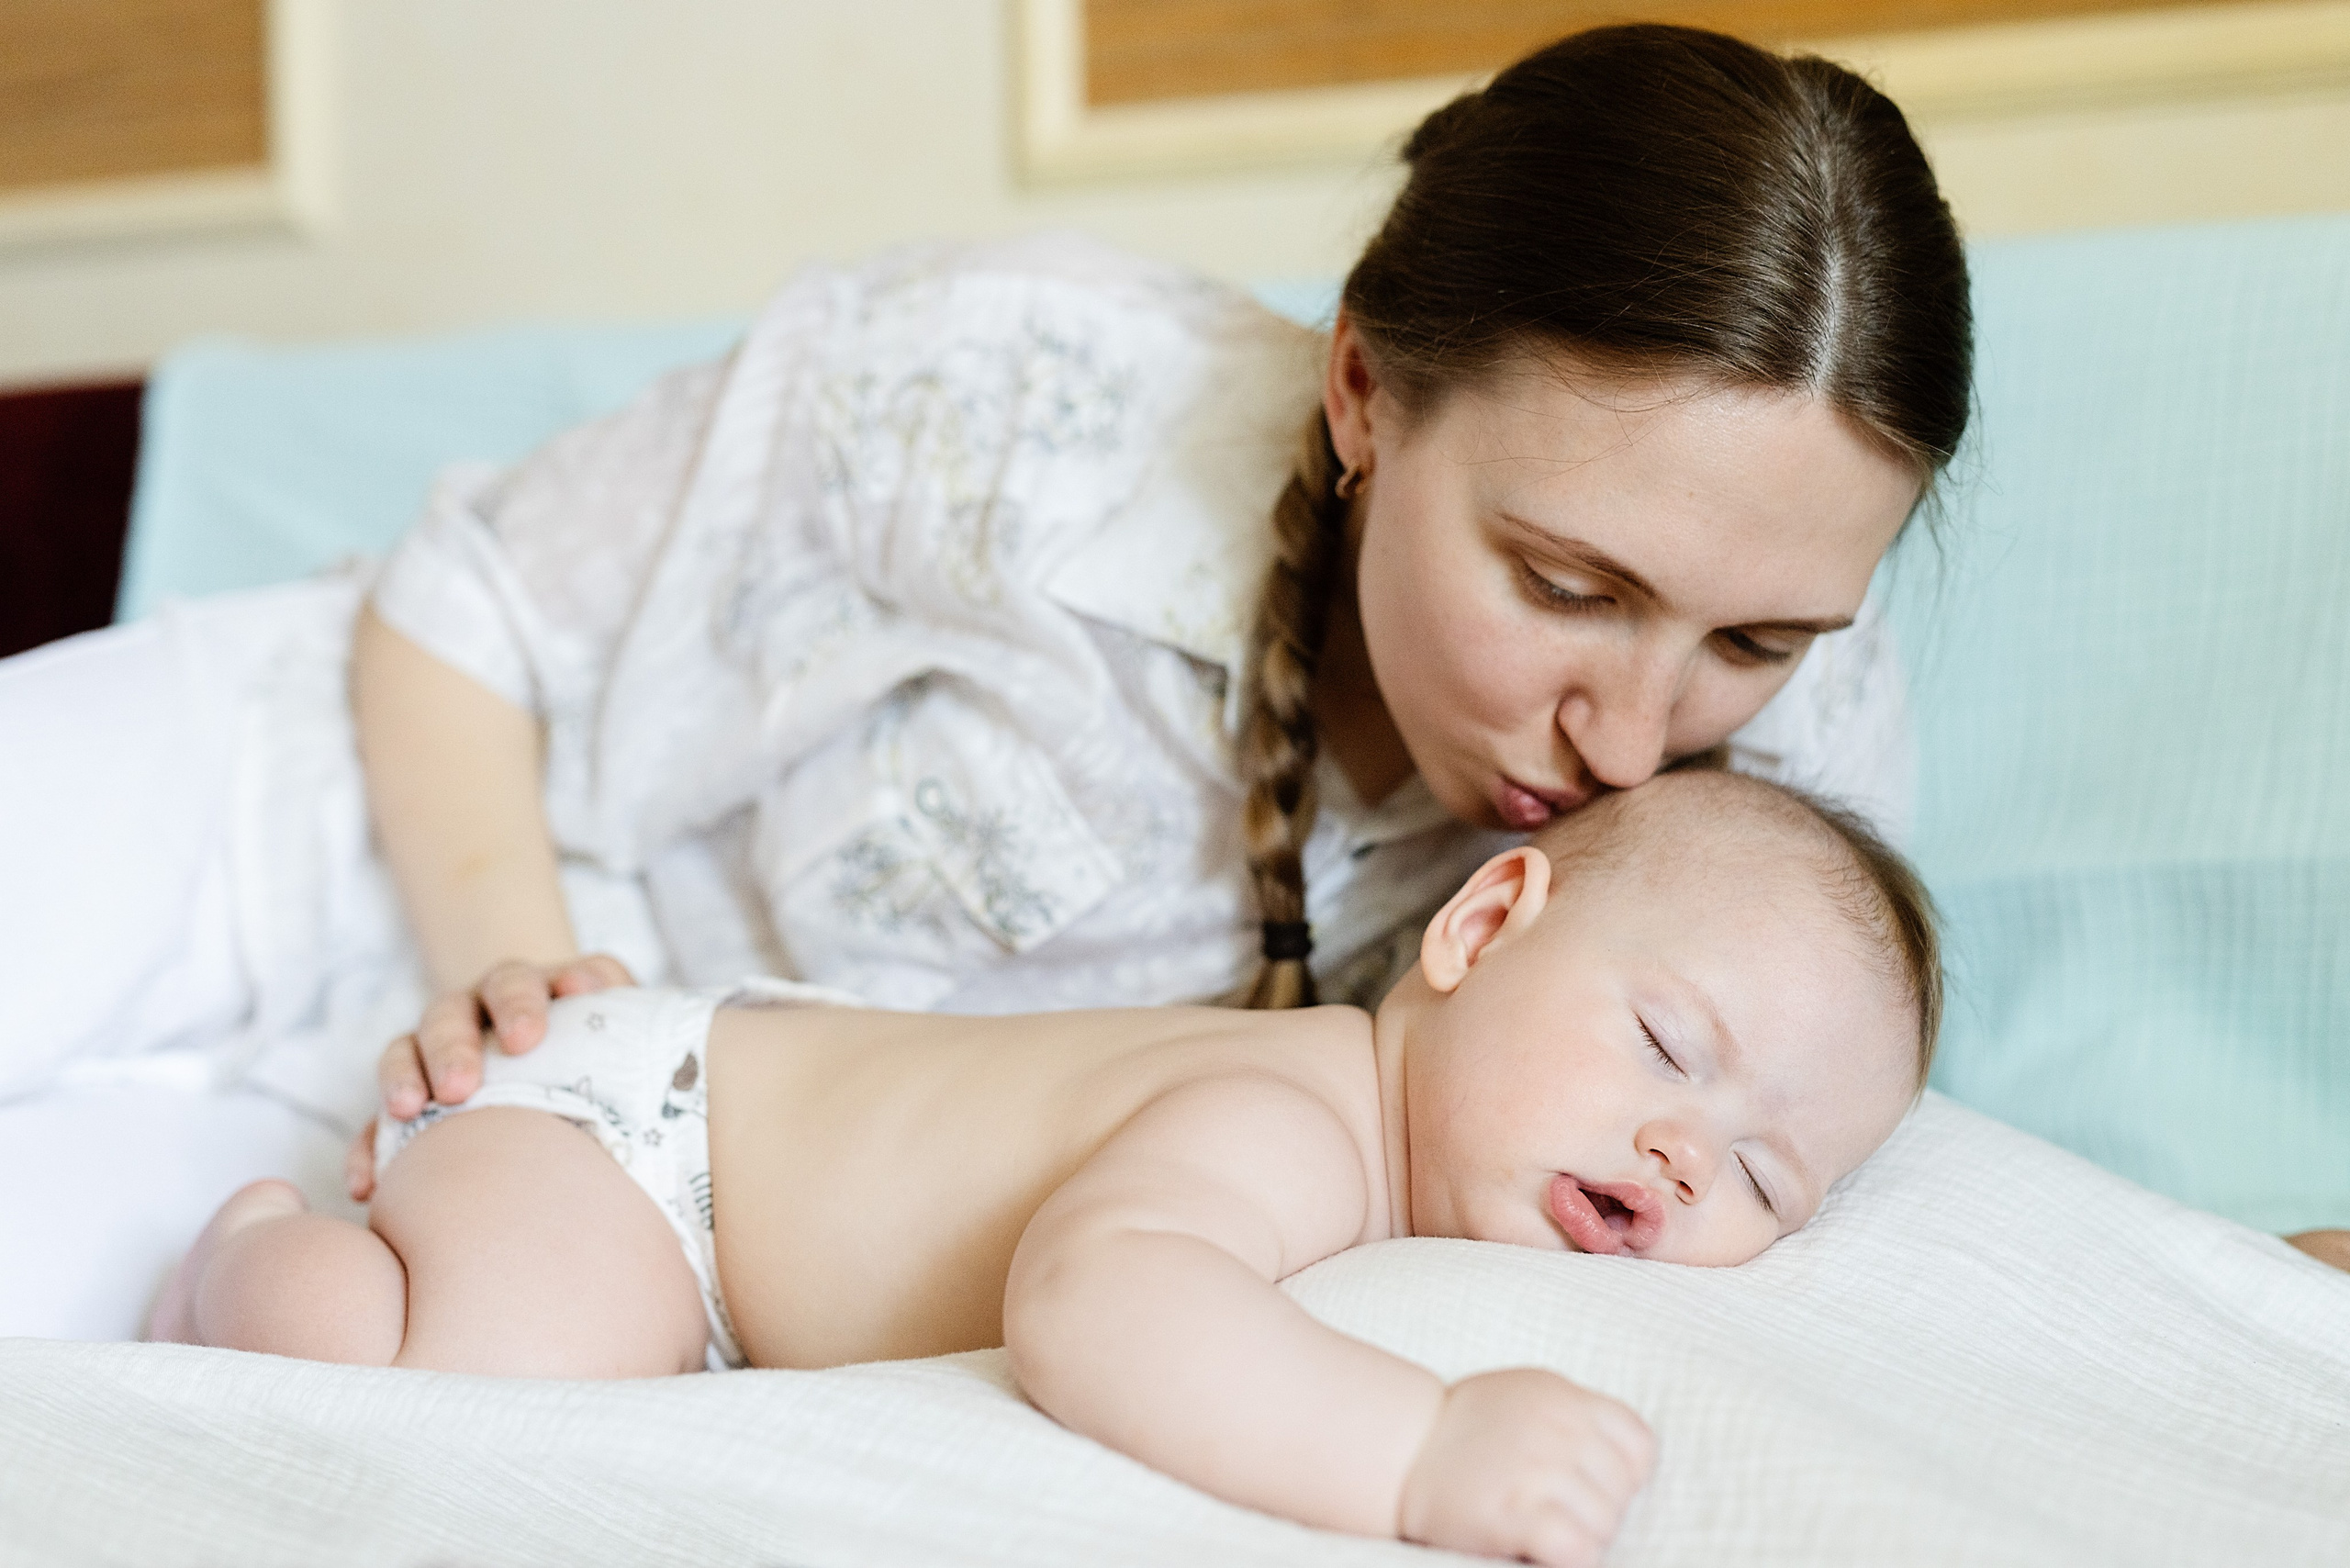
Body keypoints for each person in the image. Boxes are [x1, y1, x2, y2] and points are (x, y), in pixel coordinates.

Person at [0, 25, 1969, 1280]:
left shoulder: (1786, 812)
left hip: (592, 1189)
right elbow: (468, 609)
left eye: (1757, 634)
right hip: (356, 807)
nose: (1633, 736)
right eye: (1559, 582)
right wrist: (514, 974)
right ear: (1365, 388)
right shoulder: (1026, 391)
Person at [149, 770, 1942, 1568]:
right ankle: (265, 1257)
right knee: (502, 1405)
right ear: (1477, 922)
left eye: (1763, 1175)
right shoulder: (1294, 1116)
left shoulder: (1376, 1160)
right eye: (1662, 1046)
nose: (1679, 1148)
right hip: (646, 1150)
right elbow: (1100, 1296)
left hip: (728, 1141)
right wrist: (1417, 1444)